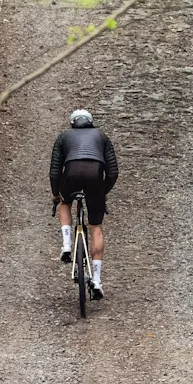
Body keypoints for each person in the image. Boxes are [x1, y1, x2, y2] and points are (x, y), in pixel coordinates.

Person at [50, 109, 118, 299]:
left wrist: (56, 194)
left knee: (65, 202)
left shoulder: (64, 137)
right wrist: (103, 191)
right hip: (95, 175)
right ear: (91, 122)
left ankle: (67, 245)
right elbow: (112, 172)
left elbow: (55, 170)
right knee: (96, 227)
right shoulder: (101, 136)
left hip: (70, 173)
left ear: (72, 123)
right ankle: (96, 280)